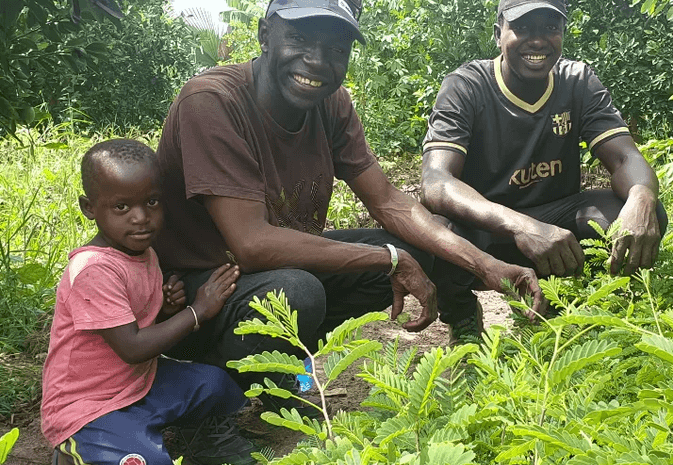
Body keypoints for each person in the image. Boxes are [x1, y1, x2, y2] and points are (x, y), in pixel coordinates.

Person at [154, 0, 544, 400]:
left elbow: (389, 201)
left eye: (336, 49)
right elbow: (252, 244)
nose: (317, 61)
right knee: (299, 291)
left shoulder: (331, 102)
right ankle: (225, 380)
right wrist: (387, 258)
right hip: (188, 297)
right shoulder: (212, 101)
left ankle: (280, 358)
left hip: (261, 275)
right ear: (265, 35)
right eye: (300, 39)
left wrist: (487, 265)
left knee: (420, 243)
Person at [420, 0, 669, 339]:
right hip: (485, 227)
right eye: (522, 28)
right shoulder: (467, 86)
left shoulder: (577, 81)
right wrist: (522, 225)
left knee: (637, 210)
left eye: (550, 28)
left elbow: (625, 157)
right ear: (498, 34)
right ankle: (462, 316)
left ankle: (569, 301)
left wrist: (641, 200)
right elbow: (436, 181)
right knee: (432, 231)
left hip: (555, 227)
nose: (537, 41)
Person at [41, 139, 257, 465]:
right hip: (88, 407)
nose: (141, 218)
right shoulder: (93, 269)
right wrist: (197, 311)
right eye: (122, 207)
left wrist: (165, 308)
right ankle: (75, 451)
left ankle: (181, 435)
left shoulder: (144, 253)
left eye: (152, 202)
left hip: (139, 384)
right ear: (89, 208)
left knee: (214, 384)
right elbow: (133, 347)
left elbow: (137, 321)